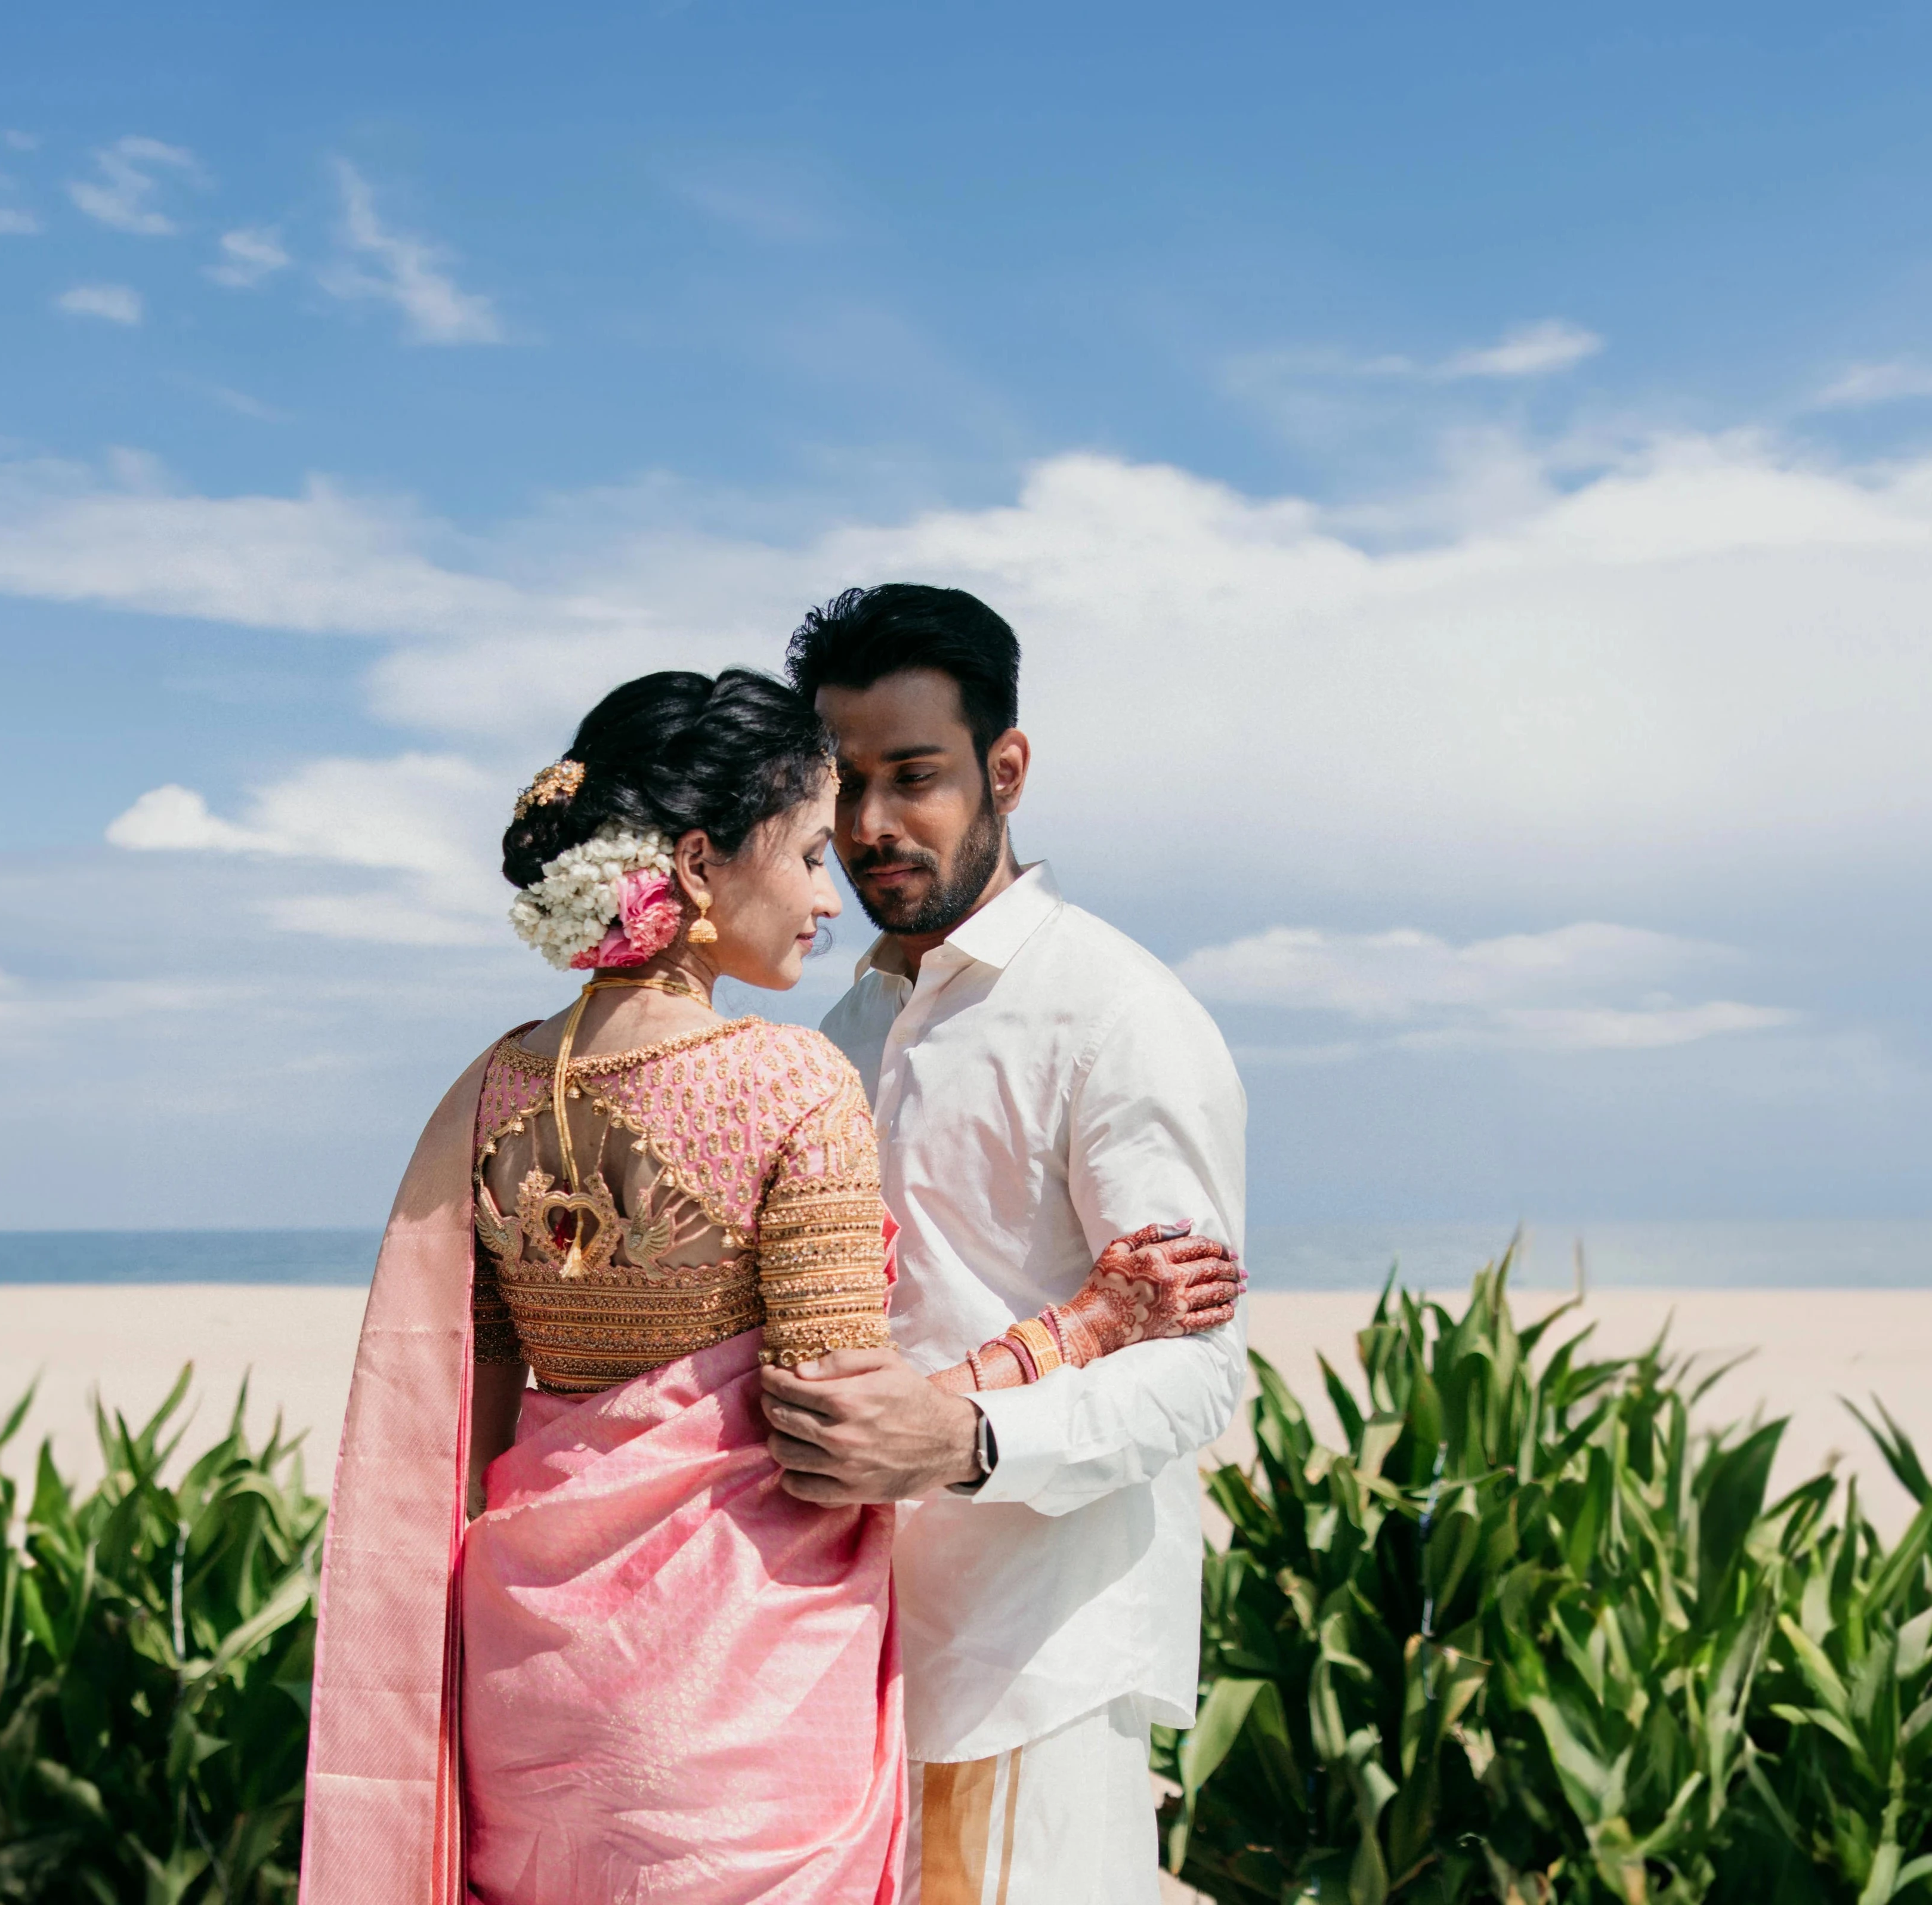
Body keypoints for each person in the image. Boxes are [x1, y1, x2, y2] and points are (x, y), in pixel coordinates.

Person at [297, 667, 1242, 1905]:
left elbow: (471, 1414)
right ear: (698, 866)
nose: (828, 887)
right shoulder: (790, 1077)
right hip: (732, 1691)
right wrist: (1085, 1326)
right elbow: (836, 1421)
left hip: (531, 1664)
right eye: (805, 851)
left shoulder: (493, 1088)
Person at [762, 586, 1248, 1905]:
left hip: (1033, 1657)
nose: (870, 825)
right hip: (838, 1653)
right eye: (844, 784)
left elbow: (1201, 1372)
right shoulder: (839, 1035)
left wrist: (964, 1442)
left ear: (1006, 771)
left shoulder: (1116, 1015)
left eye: (914, 776)